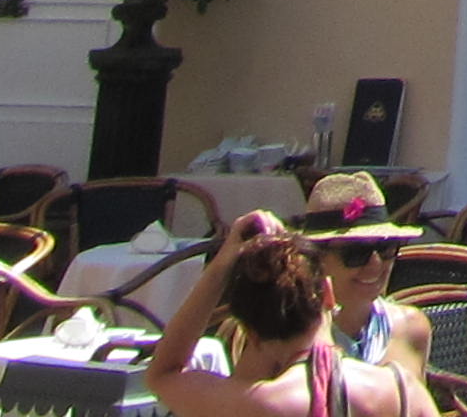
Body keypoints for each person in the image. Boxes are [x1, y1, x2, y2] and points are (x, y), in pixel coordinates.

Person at [148, 217, 433, 417]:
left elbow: (163, 372)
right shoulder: (401, 391)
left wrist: (223, 262)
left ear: (251, 332)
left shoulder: (254, 404)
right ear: (328, 295)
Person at [291, 174, 429, 375]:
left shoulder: (412, 328)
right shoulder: (288, 336)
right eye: (356, 253)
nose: (376, 263)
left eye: (385, 248)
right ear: (316, 259)